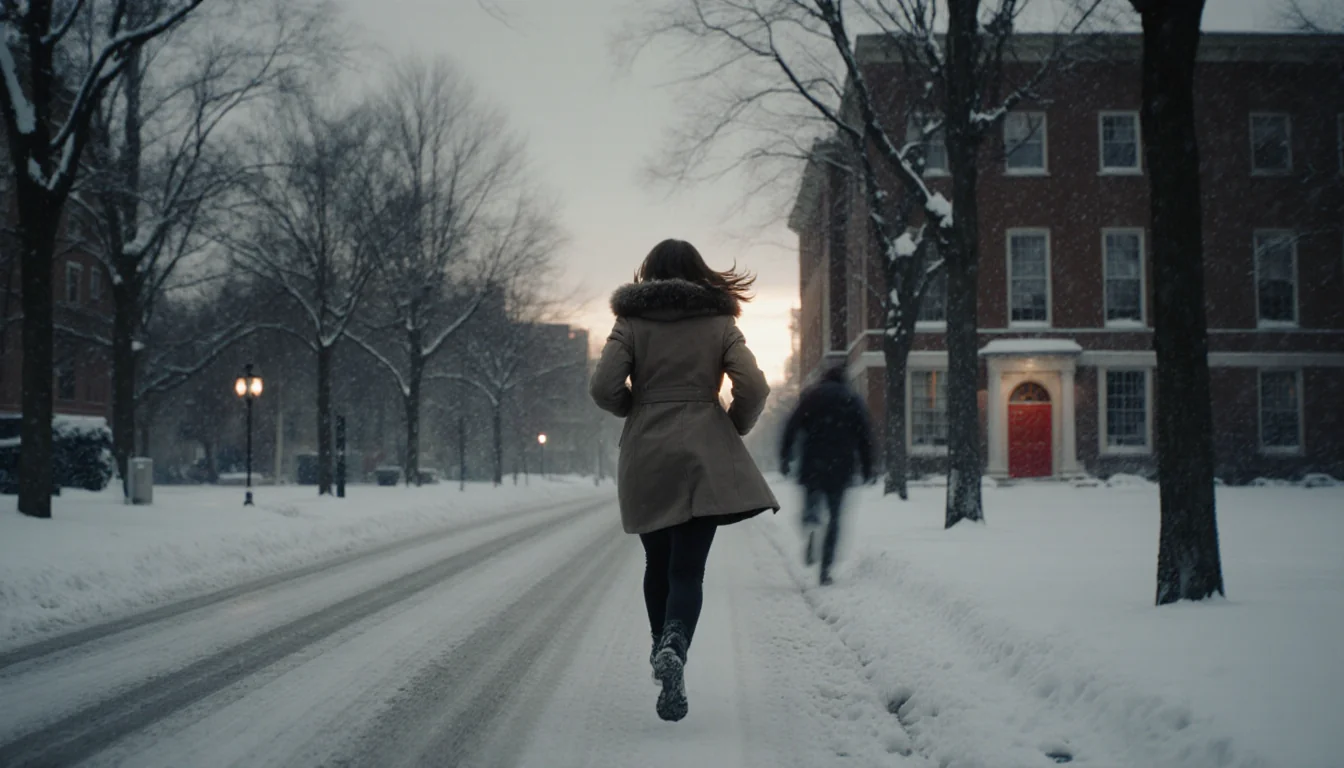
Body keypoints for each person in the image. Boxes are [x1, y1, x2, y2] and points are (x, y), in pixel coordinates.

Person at [590, 238, 779, 723]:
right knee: (687, 570)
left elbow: (603, 387)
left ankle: (661, 648)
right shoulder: (719, 322)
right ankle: (677, 640)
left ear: (648, 274)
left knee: (657, 561)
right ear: (701, 273)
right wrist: (731, 424)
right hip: (703, 450)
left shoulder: (631, 321)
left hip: (647, 451)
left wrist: (636, 407)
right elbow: (754, 387)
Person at [779, 362, 874, 586]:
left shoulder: (812, 397)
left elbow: (791, 426)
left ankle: (811, 524)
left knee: (812, 505)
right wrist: (868, 466)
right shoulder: (852, 400)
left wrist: (786, 456)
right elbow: (865, 437)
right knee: (835, 518)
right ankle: (825, 570)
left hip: (813, 463)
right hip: (841, 467)